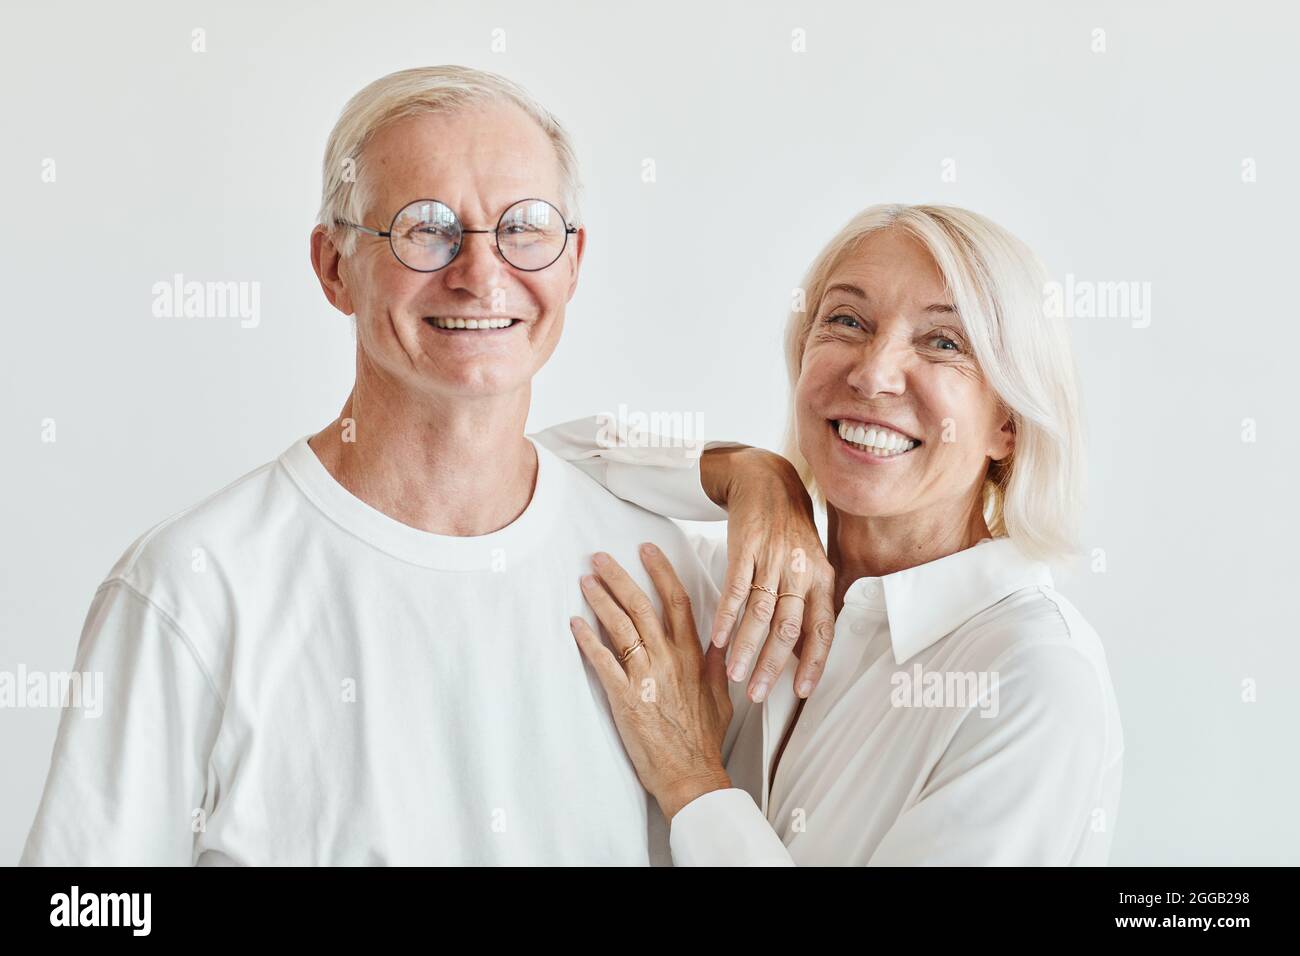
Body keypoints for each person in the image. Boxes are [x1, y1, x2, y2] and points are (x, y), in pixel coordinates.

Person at [18, 65, 826, 866]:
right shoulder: (194, 588)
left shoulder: (679, 584)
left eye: (526, 227)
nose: (480, 275)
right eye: (426, 227)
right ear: (335, 267)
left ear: (573, 262)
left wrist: (767, 477)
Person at [564, 204, 1126, 865]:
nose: (873, 373)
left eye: (944, 342)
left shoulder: (1034, 676)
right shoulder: (729, 584)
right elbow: (516, 466)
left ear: (1008, 424)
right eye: (847, 321)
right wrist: (744, 471)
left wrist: (692, 781)